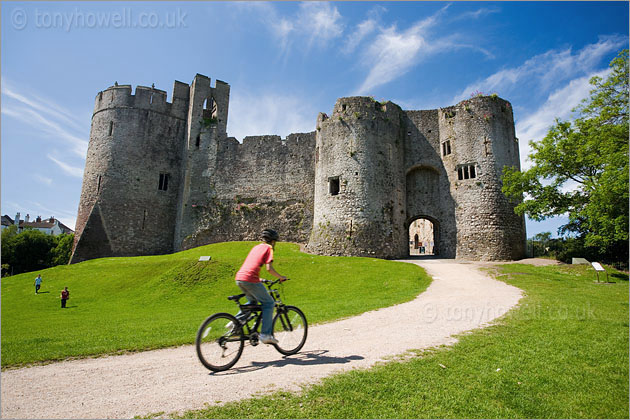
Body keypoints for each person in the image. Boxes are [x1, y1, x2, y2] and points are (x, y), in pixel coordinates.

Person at [233, 229, 287, 345]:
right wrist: (280, 276)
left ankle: (235, 323)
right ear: (273, 241)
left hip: (240, 278)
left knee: (252, 302)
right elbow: (269, 268)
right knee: (269, 303)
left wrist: (260, 279)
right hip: (250, 279)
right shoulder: (269, 248)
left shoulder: (256, 247)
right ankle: (265, 334)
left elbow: (251, 265)